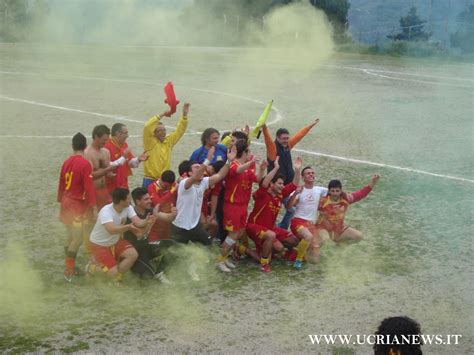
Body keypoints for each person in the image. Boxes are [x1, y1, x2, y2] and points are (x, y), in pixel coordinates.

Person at [216, 140, 266, 272]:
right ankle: (219, 260)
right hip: (232, 206)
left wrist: (261, 169)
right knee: (232, 234)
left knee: (237, 234)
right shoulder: (233, 165)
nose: (251, 153)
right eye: (249, 151)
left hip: (242, 206)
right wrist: (252, 162)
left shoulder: (247, 168)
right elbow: (237, 170)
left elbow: (257, 179)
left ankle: (225, 257)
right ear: (244, 152)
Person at [246, 156, 302, 273]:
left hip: (270, 229)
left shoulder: (280, 194)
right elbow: (265, 183)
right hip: (254, 227)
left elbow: (294, 184)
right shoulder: (262, 193)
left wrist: (297, 170)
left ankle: (267, 250)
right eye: (279, 183)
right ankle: (255, 257)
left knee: (294, 241)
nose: (282, 186)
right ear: (272, 184)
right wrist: (275, 168)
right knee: (273, 239)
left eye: (282, 184)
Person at [171, 146, 235, 246]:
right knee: (175, 254)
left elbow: (220, 175)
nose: (200, 169)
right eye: (196, 167)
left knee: (207, 246)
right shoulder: (184, 183)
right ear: (189, 173)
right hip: (180, 227)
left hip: (194, 226)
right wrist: (207, 160)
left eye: (200, 167)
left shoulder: (204, 182)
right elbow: (196, 176)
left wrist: (229, 161)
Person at [262, 119, 320, 230]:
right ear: (277, 138)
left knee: (292, 209)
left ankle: (280, 228)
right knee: (285, 209)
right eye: (283, 138)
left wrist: (310, 126)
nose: (286, 140)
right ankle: (278, 228)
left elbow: (299, 136)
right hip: (278, 187)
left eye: (287, 138)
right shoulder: (273, 149)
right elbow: (268, 141)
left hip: (289, 186)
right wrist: (264, 129)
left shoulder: (288, 145)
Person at [88, 188, 152, 282]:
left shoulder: (128, 207)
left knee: (132, 255)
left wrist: (146, 221)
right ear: (121, 201)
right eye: (128, 198)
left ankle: (116, 276)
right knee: (111, 272)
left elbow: (138, 223)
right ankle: (92, 268)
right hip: (99, 244)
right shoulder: (106, 212)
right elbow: (111, 230)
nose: (130, 200)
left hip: (115, 241)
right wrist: (128, 227)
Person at [57, 133, 96, 282]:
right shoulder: (85, 164)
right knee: (78, 239)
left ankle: (70, 267)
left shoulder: (66, 162)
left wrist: (60, 200)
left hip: (66, 202)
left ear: (73, 146)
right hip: (76, 206)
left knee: (70, 236)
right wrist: (92, 207)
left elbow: (61, 183)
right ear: (85, 146)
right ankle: (69, 270)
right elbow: (89, 187)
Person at [124, 187, 177, 282]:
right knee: (148, 278)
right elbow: (139, 235)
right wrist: (150, 223)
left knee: (172, 245)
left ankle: (160, 272)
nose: (150, 201)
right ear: (138, 201)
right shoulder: (131, 215)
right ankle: (135, 268)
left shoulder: (149, 210)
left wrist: (173, 215)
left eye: (149, 198)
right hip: (135, 251)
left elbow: (167, 218)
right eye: (146, 199)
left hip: (146, 246)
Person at [316, 174, 380, 244]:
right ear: (329, 191)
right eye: (332, 191)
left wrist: (373, 182)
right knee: (326, 241)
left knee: (359, 236)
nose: (335, 193)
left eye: (337, 191)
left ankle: (339, 245)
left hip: (338, 228)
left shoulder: (346, 199)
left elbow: (361, 194)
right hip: (323, 228)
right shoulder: (322, 201)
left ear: (341, 191)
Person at [287, 166, 328, 268]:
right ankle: (298, 259)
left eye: (312, 173)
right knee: (308, 236)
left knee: (315, 260)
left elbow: (335, 192)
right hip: (298, 222)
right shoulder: (299, 190)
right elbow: (288, 207)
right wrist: (295, 193)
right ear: (303, 177)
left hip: (311, 225)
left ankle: (297, 251)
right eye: (308, 173)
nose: (311, 175)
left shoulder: (320, 190)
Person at [142, 103, 189, 188]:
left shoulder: (168, 141)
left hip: (164, 180)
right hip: (150, 179)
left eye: (164, 130)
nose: (163, 132)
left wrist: (184, 116)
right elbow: (147, 126)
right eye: (159, 131)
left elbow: (179, 131)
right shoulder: (149, 142)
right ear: (154, 133)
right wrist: (163, 114)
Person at [104, 123, 148, 192]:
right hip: (111, 187)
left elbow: (130, 163)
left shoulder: (124, 144)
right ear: (118, 133)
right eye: (125, 133)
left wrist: (138, 159)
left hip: (124, 185)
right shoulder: (106, 147)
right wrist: (123, 158)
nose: (127, 136)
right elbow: (105, 166)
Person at [84, 125, 117, 210]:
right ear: (96, 137)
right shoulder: (87, 153)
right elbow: (90, 175)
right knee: (93, 220)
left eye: (107, 140)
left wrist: (112, 174)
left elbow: (108, 173)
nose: (105, 142)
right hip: (92, 192)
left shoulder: (106, 152)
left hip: (104, 191)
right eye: (104, 140)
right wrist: (107, 170)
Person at [147, 170, 177, 241]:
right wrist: (171, 191)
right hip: (156, 222)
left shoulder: (174, 185)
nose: (168, 187)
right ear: (160, 178)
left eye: (169, 186)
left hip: (170, 223)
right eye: (166, 185)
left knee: (168, 245)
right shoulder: (152, 187)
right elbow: (158, 203)